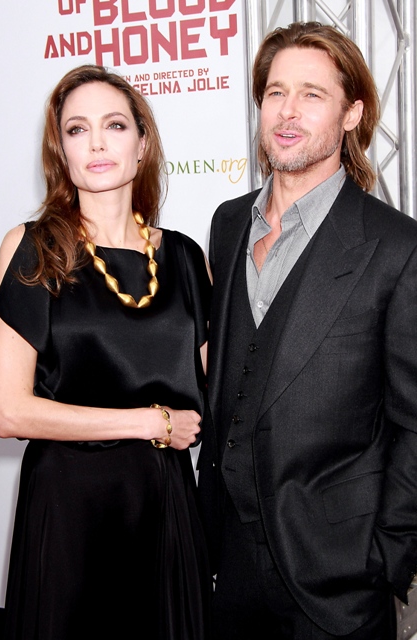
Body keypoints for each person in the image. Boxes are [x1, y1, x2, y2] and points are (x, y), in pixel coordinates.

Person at [197, 21, 417, 640]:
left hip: (338, 578)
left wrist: (386, 558)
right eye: (275, 92)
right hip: (226, 565)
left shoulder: (396, 247)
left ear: (352, 114)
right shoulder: (228, 223)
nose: (287, 112)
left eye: (312, 94)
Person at [0, 64, 212, 640]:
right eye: (76, 129)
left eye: (114, 125)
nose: (96, 143)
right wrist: (149, 422)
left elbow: (219, 395)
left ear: (142, 144)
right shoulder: (33, 249)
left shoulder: (186, 259)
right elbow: (10, 411)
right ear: (60, 151)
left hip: (164, 508)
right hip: (68, 509)